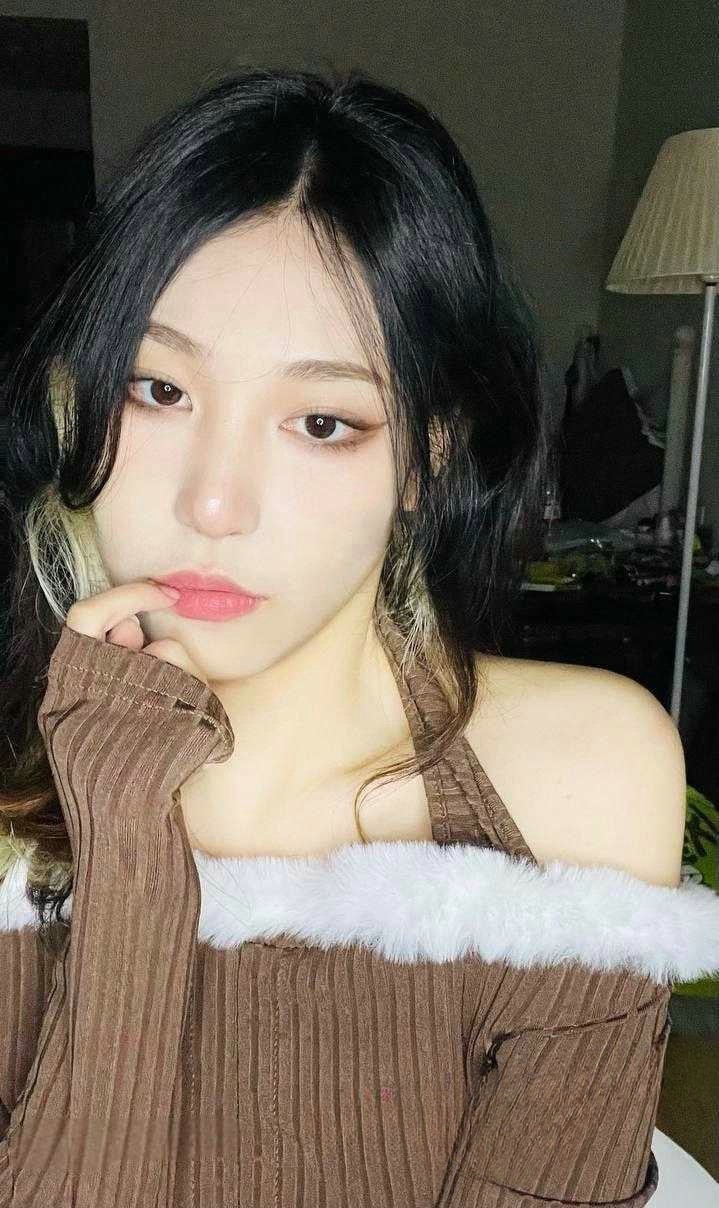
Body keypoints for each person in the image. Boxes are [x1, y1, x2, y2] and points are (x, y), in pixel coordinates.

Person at [0, 64, 717, 1208]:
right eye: (157, 390)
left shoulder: (573, 778)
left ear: (429, 457)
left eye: (322, 420)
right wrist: (125, 864)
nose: (212, 503)